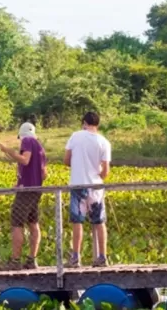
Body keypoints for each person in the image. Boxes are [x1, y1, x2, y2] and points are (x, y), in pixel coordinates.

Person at [0, 122, 47, 270]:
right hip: (36, 190)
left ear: (22, 135)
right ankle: (32, 260)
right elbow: (44, 174)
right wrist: (21, 181)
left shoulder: (27, 141)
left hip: (26, 191)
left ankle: (15, 261)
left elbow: (25, 160)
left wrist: (8, 151)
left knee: (17, 223)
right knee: (33, 223)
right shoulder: (40, 146)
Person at [64, 111, 112, 268]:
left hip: (78, 185)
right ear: (98, 124)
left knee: (77, 221)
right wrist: (97, 173)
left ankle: (76, 257)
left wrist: (78, 164)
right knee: (99, 222)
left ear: (84, 122)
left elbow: (66, 160)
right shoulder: (104, 142)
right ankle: (102, 256)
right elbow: (105, 171)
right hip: (96, 186)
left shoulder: (75, 136)